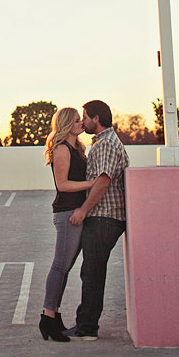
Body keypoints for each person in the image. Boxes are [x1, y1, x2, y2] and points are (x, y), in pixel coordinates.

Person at [65, 99, 130, 340]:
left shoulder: (105, 145)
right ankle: (85, 324)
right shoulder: (105, 142)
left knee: (92, 272)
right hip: (104, 216)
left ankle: (87, 328)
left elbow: (103, 181)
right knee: (91, 271)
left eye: (85, 117)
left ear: (96, 119)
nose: (83, 121)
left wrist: (83, 210)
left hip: (104, 217)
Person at [38, 107, 95, 342]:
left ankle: (54, 315)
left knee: (65, 267)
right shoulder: (61, 149)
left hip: (73, 211)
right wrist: (93, 184)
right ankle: (47, 316)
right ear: (67, 125)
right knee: (60, 266)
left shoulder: (76, 148)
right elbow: (62, 185)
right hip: (66, 212)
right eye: (77, 121)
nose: (82, 123)